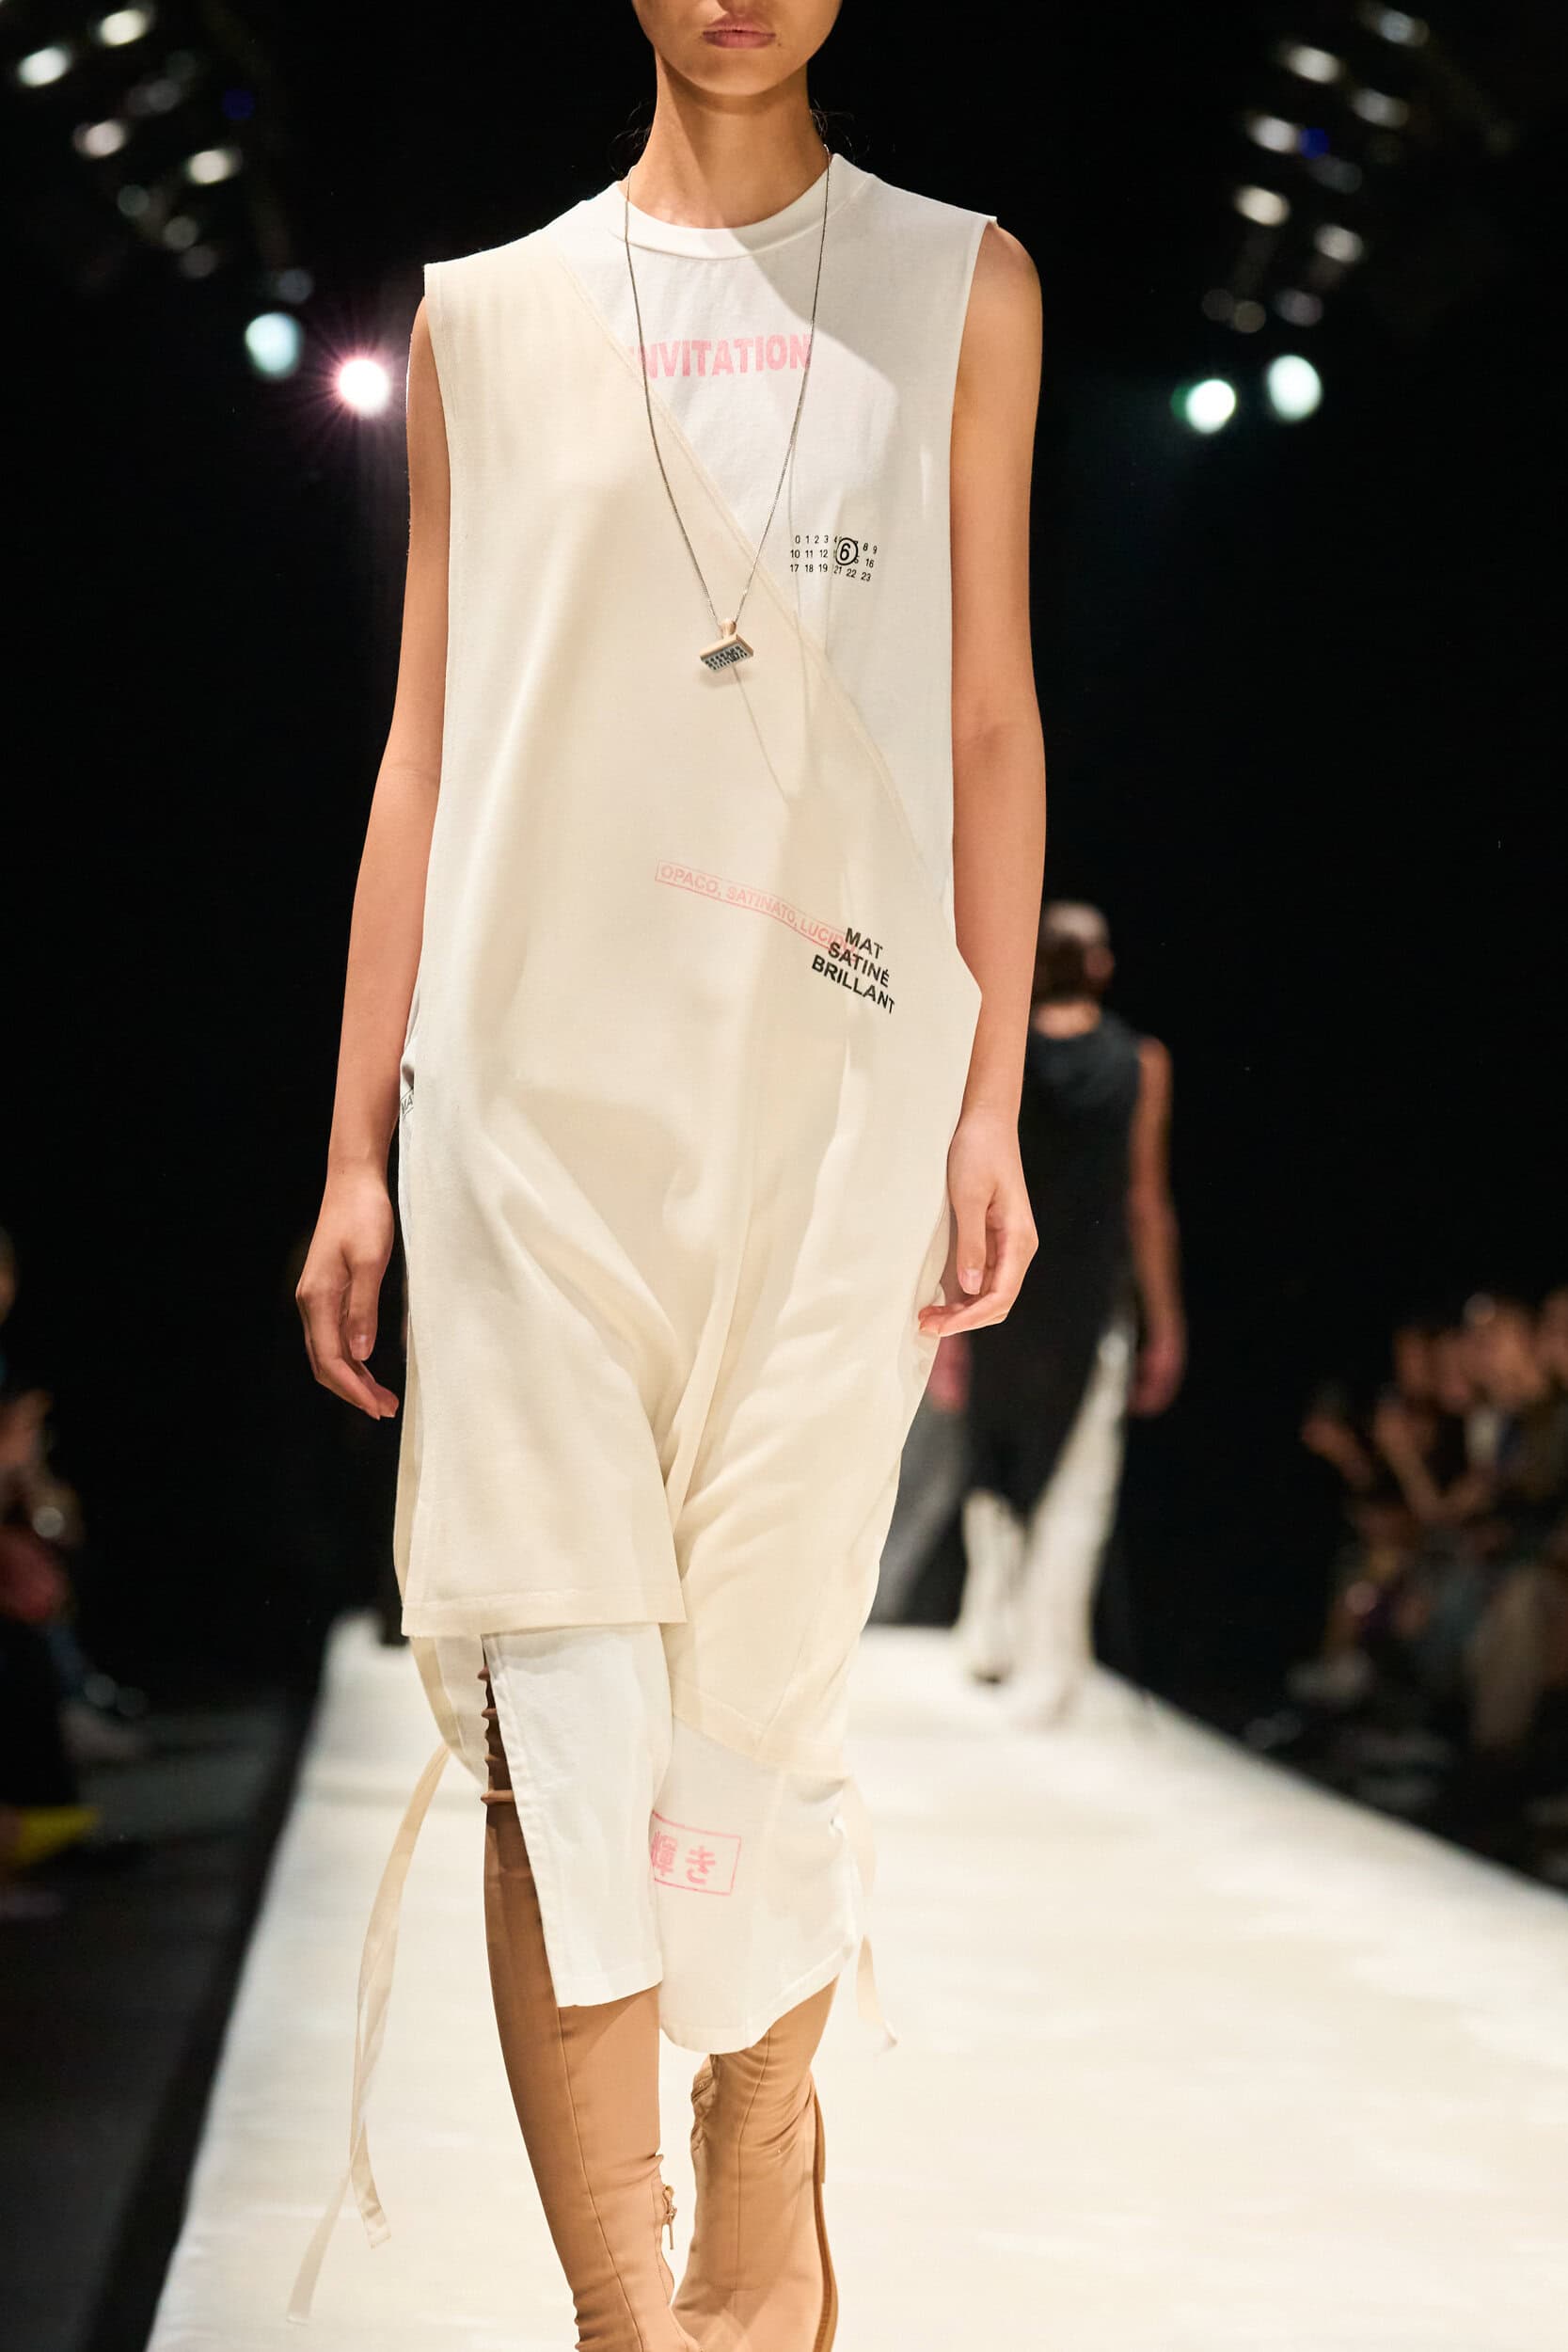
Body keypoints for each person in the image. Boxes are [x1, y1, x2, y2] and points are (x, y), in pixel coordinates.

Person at [289, 6, 1045, 2341]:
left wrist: (989, 1098)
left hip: (827, 1105)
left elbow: (987, 710)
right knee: (556, 1713)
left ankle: (758, 2155)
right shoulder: (485, 317)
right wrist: (354, 1145)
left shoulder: (959, 284)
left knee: (757, 1710)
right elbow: (425, 746)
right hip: (527, 1109)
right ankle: (632, 2324)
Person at [955, 901, 1183, 1724]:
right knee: (1075, 1477)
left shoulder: (1001, 1050)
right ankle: (1049, 1665)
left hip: (1002, 1285)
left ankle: (988, 1633)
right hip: (1088, 1299)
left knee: (993, 1456)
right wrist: (1165, 1323)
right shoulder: (1139, 1063)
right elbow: (1144, 1199)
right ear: (1100, 966)